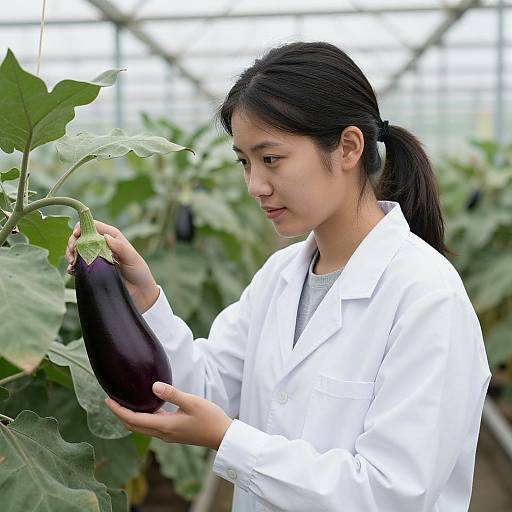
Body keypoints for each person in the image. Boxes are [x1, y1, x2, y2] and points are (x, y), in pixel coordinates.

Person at [66, 42, 491, 512]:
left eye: (271, 159)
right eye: (244, 161)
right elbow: (197, 389)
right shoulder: (280, 276)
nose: (254, 185)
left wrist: (230, 441)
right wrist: (142, 296)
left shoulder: (427, 296)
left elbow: (391, 494)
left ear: (348, 147)